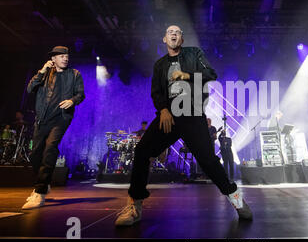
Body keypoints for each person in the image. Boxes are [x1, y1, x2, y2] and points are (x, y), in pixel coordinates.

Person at [115, 25, 252, 226]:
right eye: (170, 32)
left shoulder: (194, 54)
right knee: (143, 151)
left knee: (207, 159)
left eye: (177, 32)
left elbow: (211, 74)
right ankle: (135, 206)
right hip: (169, 114)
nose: (173, 33)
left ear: (182, 39)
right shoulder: (160, 65)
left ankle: (235, 197)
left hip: (191, 111)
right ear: (164, 39)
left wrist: (186, 75)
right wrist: (162, 109)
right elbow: (156, 92)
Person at [22, 46, 85, 210]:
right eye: (62, 56)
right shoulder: (45, 75)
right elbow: (30, 89)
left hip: (61, 118)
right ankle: (44, 182)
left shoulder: (75, 74)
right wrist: (42, 70)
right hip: (42, 119)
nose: (65, 58)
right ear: (54, 59)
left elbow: (80, 94)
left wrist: (72, 101)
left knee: (50, 148)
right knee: (35, 153)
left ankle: (40, 191)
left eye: (67, 56)